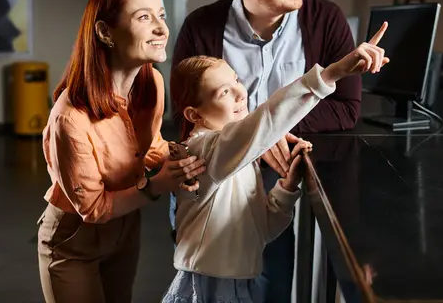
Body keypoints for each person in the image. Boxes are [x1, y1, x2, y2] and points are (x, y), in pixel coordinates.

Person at [171, 0, 368, 301]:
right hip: (212, 176)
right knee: (206, 276)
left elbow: (346, 109)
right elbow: (185, 116)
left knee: (271, 279)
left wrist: (268, 136)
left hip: (274, 175)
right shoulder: (202, 26)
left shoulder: (326, 19)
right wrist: (259, 135)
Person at [163, 25, 388, 303]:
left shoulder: (233, 158)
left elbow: (261, 231)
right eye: (224, 92)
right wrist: (332, 73)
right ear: (193, 114)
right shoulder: (204, 150)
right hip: (209, 285)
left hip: (238, 283)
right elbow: (267, 120)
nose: (240, 93)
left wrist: (286, 188)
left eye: (236, 81)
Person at [37, 0, 206, 303]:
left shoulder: (152, 83)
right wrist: (159, 185)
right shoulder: (70, 117)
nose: (161, 29)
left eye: (161, 15)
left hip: (126, 227)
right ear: (104, 33)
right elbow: (93, 209)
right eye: (144, 17)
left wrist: (189, 154)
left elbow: (151, 146)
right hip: (73, 239)